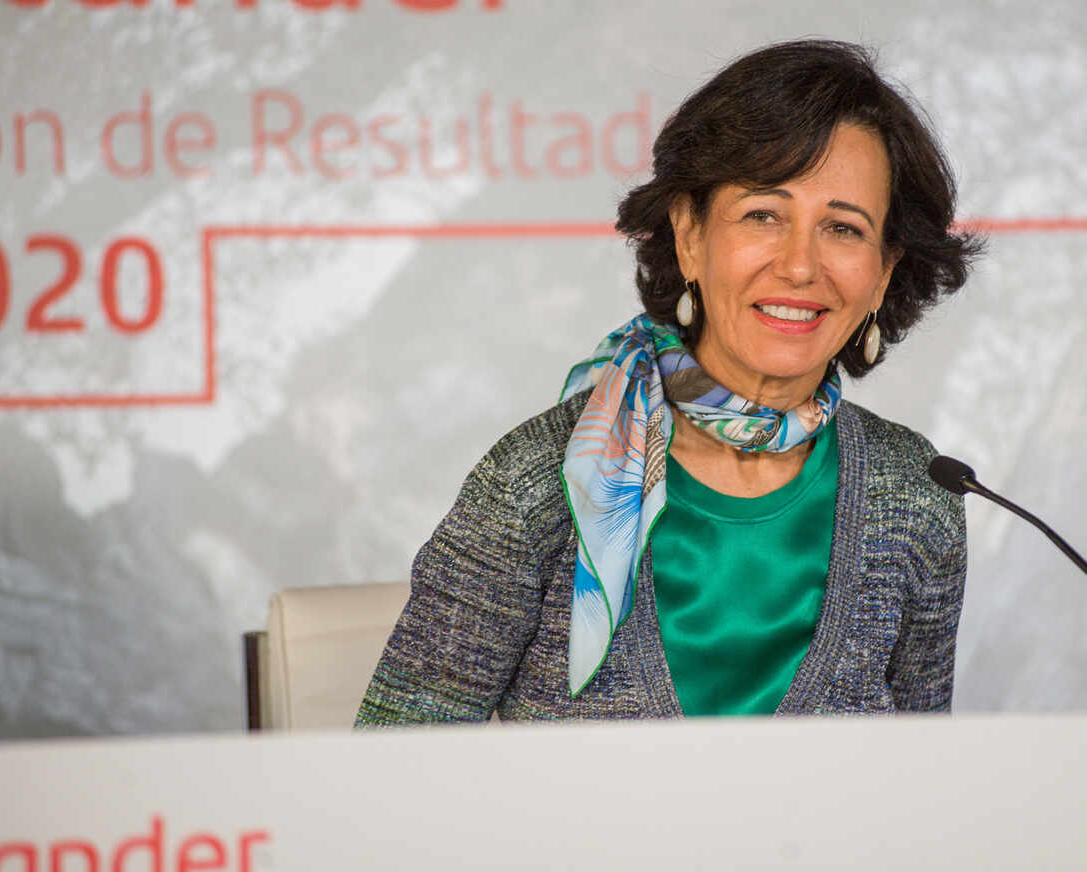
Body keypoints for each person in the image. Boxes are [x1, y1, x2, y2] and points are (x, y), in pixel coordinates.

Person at [356, 40, 981, 724]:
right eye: (763, 215)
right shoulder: (538, 484)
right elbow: (398, 769)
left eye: (843, 228)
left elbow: (921, 786)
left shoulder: (919, 496)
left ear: (883, 272)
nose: (801, 266)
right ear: (688, 235)